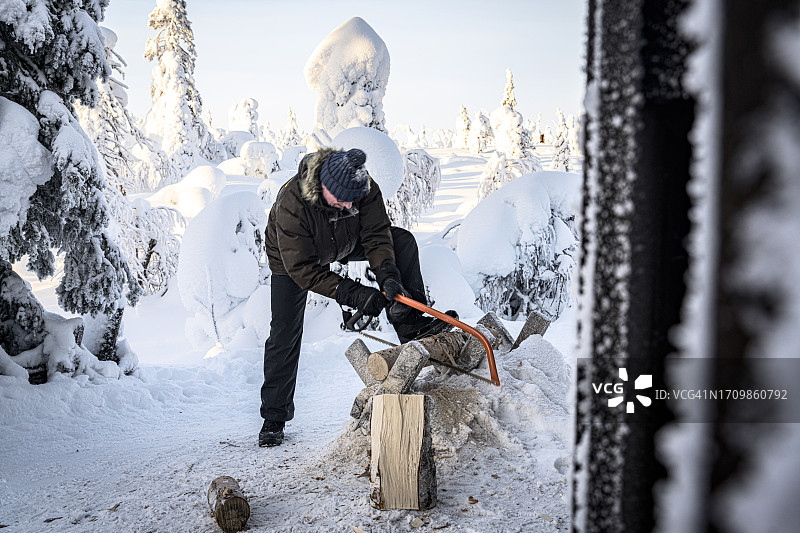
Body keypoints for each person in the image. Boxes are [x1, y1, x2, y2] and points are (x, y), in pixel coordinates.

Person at [259, 147, 455, 447]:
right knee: (284, 332)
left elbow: (377, 235)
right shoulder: (292, 204)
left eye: (353, 199)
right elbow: (303, 270)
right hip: (294, 259)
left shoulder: (363, 186)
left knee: (402, 242)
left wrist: (388, 275)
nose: (349, 204)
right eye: (341, 199)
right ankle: (274, 416)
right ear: (322, 187)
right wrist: (356, 294)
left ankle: (410, 322)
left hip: (345, 239)